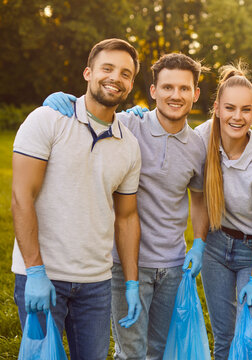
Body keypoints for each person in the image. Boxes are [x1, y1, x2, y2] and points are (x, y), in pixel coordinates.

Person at [42, 53, 209, 359]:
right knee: (131, 353)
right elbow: (92, 110)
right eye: (168, 87)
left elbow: (198, 198)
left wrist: (198, 243)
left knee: (155, 351)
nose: (176, 95)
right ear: (153, 91)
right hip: (125, 263)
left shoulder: (198, 145)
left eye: (184, 88)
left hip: (172, 265)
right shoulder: (128, 124)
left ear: (195, 94)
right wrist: (61, 100)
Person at [11, 38, 142, 359]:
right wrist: (35, 272)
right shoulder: (48, 119)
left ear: (131, 84)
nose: (115, 78)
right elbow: (21, 197)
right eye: (107, 68)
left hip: (96, 284)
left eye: (125, 74)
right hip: (44, 276)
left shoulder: (129, 145)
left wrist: (132, 283)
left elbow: (126, 217)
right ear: (88, 72)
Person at [193, 62, 252, 360]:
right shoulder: (202, 136)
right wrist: (136, 115)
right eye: (230, 108)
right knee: (223, 337)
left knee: (247, 340)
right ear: (217, 108)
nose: (237, 117)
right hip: (216, 247)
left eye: (245, 110)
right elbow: (165, 130)